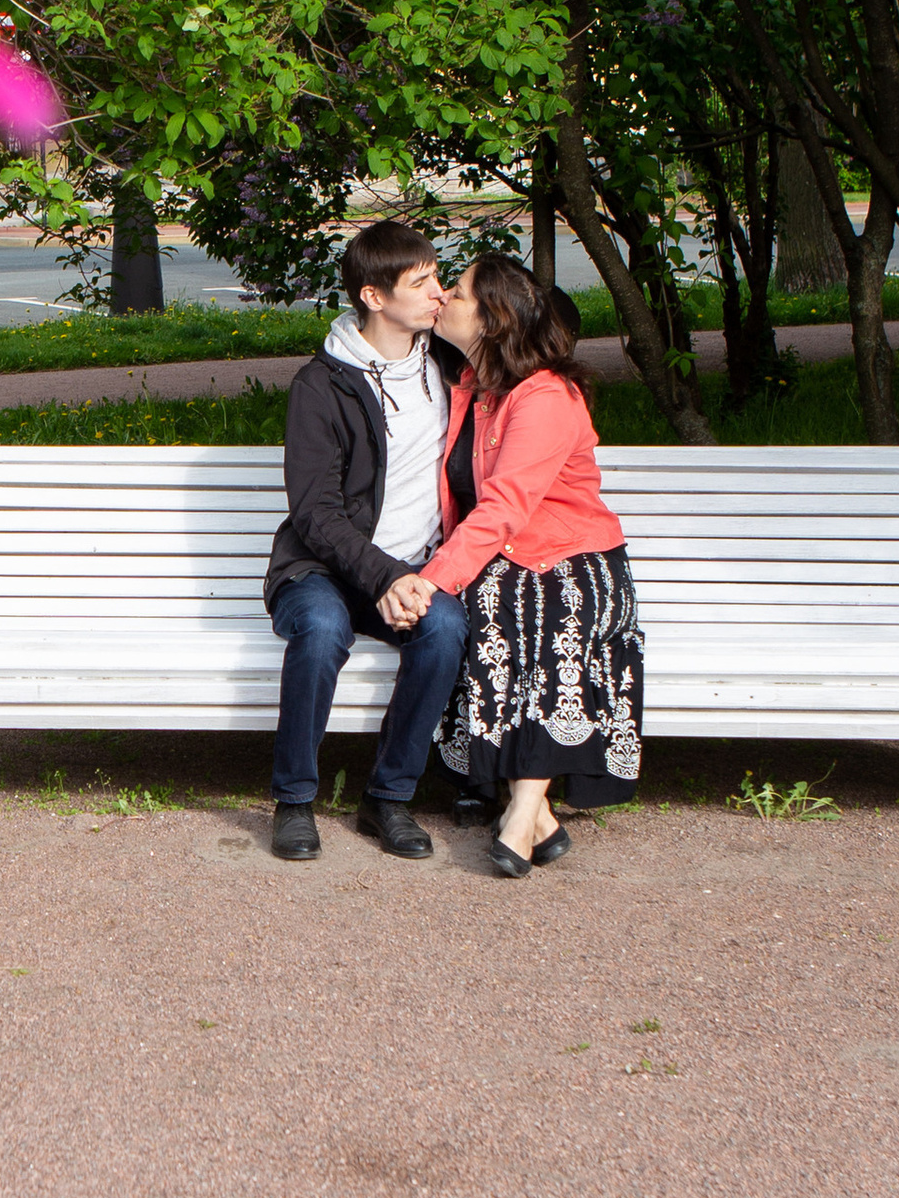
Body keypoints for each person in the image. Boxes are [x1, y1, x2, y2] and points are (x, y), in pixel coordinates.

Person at [419, 254, 645, 876]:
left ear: (491, 320)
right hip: (506, 561)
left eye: (457, 292)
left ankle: (522, 811)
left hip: (576, 560)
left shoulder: (545, 395)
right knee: (488, 606)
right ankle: (538, 816)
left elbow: (505, 507)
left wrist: (431, 577)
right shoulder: (476, 388)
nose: (442, 299)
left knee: (545, 611)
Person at [261, 220, 469, 862]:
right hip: (321, 571)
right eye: (422, 281)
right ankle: (294, 801)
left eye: (438, 275)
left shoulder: (450, 368)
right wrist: (383, 577)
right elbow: (316, 512)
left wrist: (415, 577)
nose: (439, 292)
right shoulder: (320, 386)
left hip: (411, 573)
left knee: (446, 630)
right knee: (321, 631)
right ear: (374, 297)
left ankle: (388, 799)